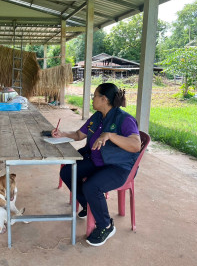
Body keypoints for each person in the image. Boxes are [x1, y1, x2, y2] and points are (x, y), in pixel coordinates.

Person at [52, 82, 141, 247]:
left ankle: (106, 225)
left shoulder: (124, 119)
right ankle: (88, 204)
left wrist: (110, 135)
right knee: (67, 173)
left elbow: (136, 145)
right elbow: (79, 135)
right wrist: (62, 134)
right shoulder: (97, 116)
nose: (92, 99)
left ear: (104, 99)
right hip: (97, 161)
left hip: (119, 167)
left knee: (91, 186)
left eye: (95, 96)